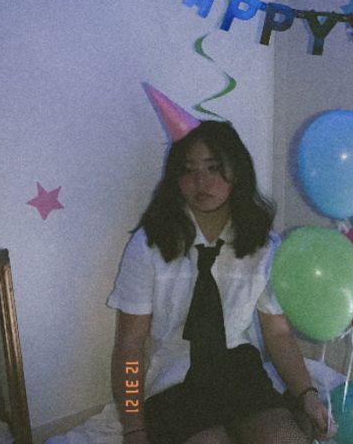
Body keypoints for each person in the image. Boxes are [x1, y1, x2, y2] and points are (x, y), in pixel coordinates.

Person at [107, 119, 336, 444]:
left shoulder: (262, 244)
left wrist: (307, 394)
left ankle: (289, 413)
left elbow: (278, 332)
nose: (201, 181)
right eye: (188, 170)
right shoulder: (149, 245)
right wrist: (133, 426)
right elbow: (130, 345)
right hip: (176, 380)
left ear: (237, 171)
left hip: (240, 373)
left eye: (214, 168)